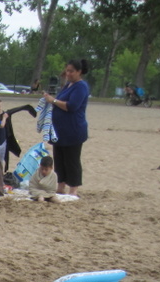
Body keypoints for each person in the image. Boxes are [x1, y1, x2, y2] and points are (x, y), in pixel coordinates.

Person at [43, 58, 90, 197]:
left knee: (72, 160)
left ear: (79, 72)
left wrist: (53, 100)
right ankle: (60, 185)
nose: (68, 73)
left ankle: (73, 189)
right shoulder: (68, 85)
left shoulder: (81, 87)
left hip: (73, 129)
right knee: (59, 159)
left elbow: (71, 106)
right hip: (60, 130)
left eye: (71, 71)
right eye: (67, 71)